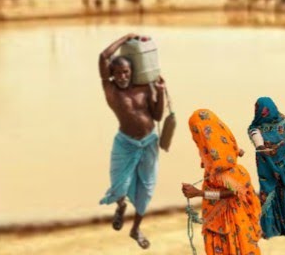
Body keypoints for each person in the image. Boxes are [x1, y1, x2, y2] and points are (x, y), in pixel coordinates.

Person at [98, 32, 166, 250]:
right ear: (112, 74)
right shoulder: (111, 91)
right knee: (120, 187)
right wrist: (125, 37)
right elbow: (103, 56)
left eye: (126, 72)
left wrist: (161, 93)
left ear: (132, 72)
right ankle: (120, 206)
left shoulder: (145, 88)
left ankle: (136, 229)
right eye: (117, 73)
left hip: (149, 142)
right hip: (125, 143)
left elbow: (156, 116)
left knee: (145, 189)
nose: (122, 76)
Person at [180, 109, 262, 255]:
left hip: (230, 215)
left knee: (233, 246)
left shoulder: (221, 166)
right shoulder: (220, 140)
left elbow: (233, 192)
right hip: (221, 210)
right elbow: (230, 150)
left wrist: (199, 193)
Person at [246, 96, 285, 238]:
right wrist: (265, 148)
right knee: (273, 192)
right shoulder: (255, 129)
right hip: (269, 164)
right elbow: (260, 146)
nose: (266, 114)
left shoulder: (280, 119)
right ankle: (275, 227)